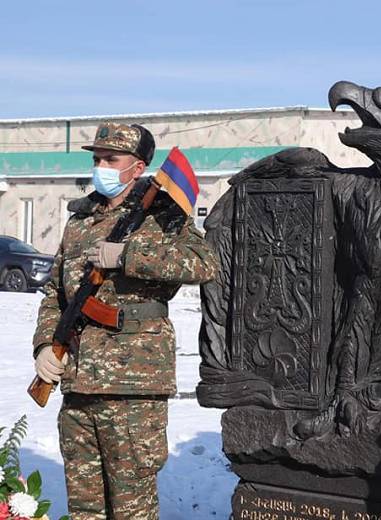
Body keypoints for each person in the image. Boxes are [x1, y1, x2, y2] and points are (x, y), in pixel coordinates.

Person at [32, 122, 219, 519]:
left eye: (110, 159)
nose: (100, 166)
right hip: (78, 381)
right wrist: (46, 344)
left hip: (133, 384)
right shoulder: (80, 221)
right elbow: (56, 293)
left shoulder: (163, 215)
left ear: (137, 167)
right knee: (84, 506)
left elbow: (205, 264)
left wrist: (129, 257)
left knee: (131, 506)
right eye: (97, 158)